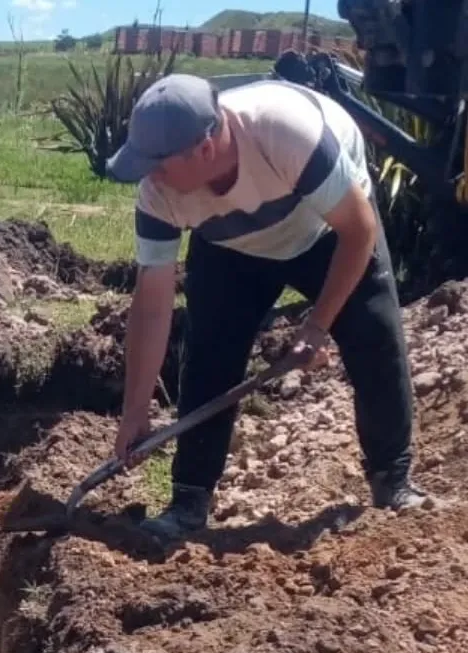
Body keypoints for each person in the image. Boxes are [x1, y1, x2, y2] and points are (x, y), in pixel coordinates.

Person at [105, 72, 427, 546]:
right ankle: (189, 500)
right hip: (230, 245)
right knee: (211, 353)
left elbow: (357, 232)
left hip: (327, 230)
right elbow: (153, 305)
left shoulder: (285, 132)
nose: (151, 177)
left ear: (206, 148)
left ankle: (393, 481)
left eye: (159, 165)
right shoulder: (159, 194)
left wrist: (318, 325)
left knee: (374, 338)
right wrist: (135, 409)